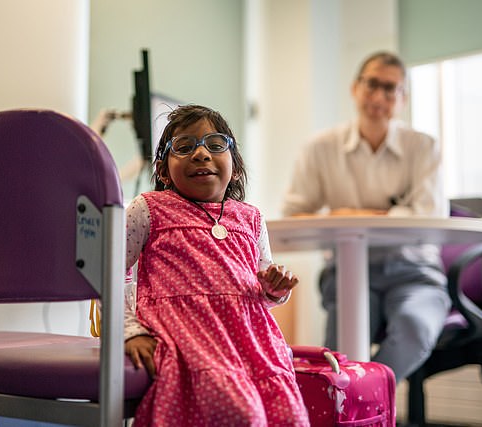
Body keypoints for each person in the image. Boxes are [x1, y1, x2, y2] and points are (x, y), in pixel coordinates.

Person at [124, 104, 309, 426]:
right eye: (183, 147)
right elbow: (110, 273)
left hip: (253, 342)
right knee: (240, 413)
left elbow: (263, 289)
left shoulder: (250, 217)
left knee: (289, 415)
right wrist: (130, 332)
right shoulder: (149, 208)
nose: (201, 154)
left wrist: (275, 288)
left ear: (234, 167)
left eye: (215, 144)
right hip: (190, 339)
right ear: (164, 171)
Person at [281, 51, 451, 383]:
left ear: (403, 99)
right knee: (341, 352)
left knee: (415, 331)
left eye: (391, 89)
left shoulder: (424, 147)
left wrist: (347, 214)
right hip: (348, 271)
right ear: (355, 88)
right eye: (372, 84)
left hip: (414, 272)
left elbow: (428, 215)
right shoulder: (319, 148)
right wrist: (378, 214)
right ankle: (356, 405)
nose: (378, 96)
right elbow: (294, 214)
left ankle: (361, 399)